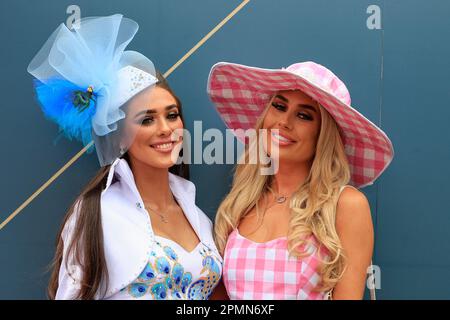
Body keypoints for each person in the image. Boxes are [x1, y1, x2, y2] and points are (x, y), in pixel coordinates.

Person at [28, 14, 222, 300]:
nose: (166, 129)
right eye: (146, 120)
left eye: (172, 115)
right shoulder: (96, 215)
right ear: (118, 137)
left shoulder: (200, 219)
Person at [207, 61, 393, 299]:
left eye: (304, 115)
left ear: (323, 134)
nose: (284, 122)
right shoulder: (241, 203)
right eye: (279, 106)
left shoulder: (345, 205)